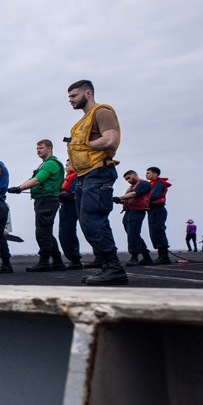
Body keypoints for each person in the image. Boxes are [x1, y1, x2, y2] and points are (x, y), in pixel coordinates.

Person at [65, 79, 127, 285]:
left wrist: (86, 143)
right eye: (69, 96)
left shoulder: (102, 112)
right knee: (87, 220)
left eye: (74, 96)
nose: (70, 100)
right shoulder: (82, 121)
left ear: (88, 93)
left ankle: (114, 268)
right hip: (86, 175)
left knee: (93, 219)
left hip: (99, 173)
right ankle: (104, 262)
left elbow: (110, 139)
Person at [8, 139, 66, 271]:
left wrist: (19, 188)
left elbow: (37, 180)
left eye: (41, 148)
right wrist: (19, 187)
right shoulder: (44, 165)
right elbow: (32, 179)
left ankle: (44, 262)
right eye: (37, 148)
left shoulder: (50, 164)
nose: (38, 150)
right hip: (44, 200)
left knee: (42, 231)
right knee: (46, 231)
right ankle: (57, 261)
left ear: (49, 149)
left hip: (47, 200)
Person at [112, 170, 153, 266]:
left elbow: (135, 194)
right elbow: (130, 199)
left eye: (128, 178)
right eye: (126, 179)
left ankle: (134, 257)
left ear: (134, 175)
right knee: (134, 234)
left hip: (137, 212)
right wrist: (118, 201)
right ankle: (146, 256)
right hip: (129, 212)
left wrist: (120, 198)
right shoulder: (131, 187)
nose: (128, 181)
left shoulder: (144, 184)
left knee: (132, 234)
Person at [58, 159, 84, 269]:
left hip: (71, 206)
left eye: (68, 165)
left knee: (68, 233)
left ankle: (75, 259)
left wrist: (55, 194)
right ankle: (73, 258)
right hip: (66, 206)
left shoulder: (77, 177)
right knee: (64, 233)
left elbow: (70, 194)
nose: (66, 167)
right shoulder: (70, 177)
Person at [146, 166, 172, 264]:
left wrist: (143, 200)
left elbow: (155, 196)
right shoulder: (153, 184)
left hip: (157, 209)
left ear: (155, 174)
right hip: (153, 210)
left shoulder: (158, 184)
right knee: (155, 231)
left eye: (148, 173)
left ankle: (164, 257)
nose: (146, 174)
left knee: (158, 231)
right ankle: (162, 256)